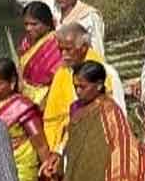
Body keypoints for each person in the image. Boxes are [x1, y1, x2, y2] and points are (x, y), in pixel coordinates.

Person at [42, 23, 124, 152]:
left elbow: (119, 115)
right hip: (65, 147)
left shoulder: (107, 74)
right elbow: (53, 118)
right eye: (60, 50)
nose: (63, 55)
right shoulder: (62, 73)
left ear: (84, 48)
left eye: (68, 50)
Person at [19, 1, 62, 107]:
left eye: (34, 24)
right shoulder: (26, 42)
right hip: (25, 98)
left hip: (47, 100)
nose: (28, 28)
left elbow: (57, 77)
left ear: (47, 24)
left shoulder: (56, 44)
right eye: (26, 24)